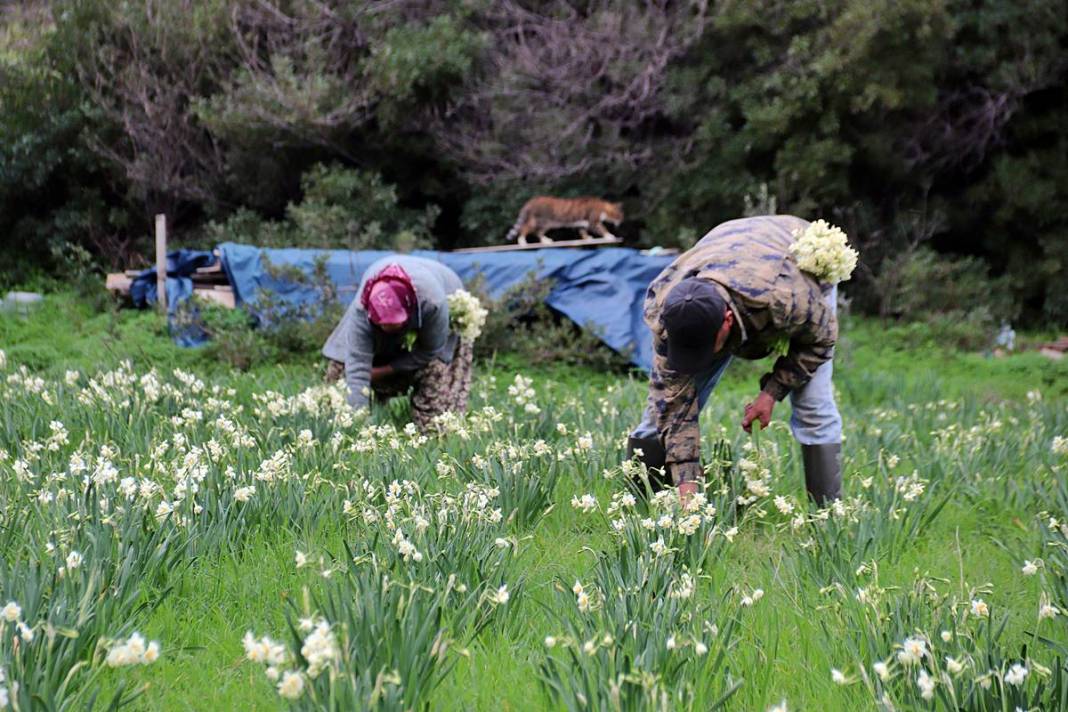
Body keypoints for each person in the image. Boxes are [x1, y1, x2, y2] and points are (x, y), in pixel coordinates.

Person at [628, 215, 842, 504]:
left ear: (727, 321)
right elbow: (675, 407)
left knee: (813, 405)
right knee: (659, 413)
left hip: (796, 257)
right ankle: (646, 512)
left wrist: (772, 393)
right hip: (726, 248)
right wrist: (688, 496)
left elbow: (819, 342)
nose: (697, 357)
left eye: (703, 347)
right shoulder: (669, 312)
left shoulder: (788, 299)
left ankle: (828, 519)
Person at [322, 255, 473, 430]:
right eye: (383, 325)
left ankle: (432, 428)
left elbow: (430, 351)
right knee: (343, 363)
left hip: (445, 289)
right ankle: (344, 420)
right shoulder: (362, 309)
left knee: (437, 367)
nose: (389, 330)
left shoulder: (433, 302)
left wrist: (386, 370)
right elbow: (356, 366)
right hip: (395, 289)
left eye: (395, 325)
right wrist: (355, 424)